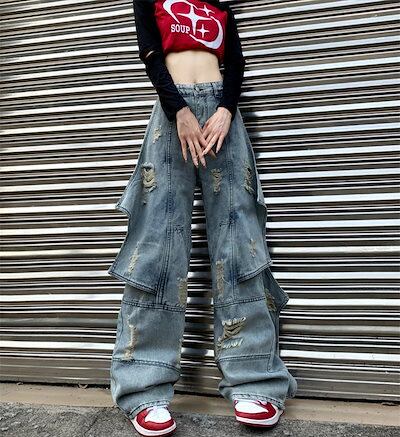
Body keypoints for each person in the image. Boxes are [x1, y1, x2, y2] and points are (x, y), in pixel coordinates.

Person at [107, 1, 298, 435]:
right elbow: (150, 54)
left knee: (240, 240)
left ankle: (255, 381)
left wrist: (226, 110)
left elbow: (236, 63)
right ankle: (143, 387)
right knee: (158, 242)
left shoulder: (220, 6)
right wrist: (179, 110)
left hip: (223, 119)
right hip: (172, 113)